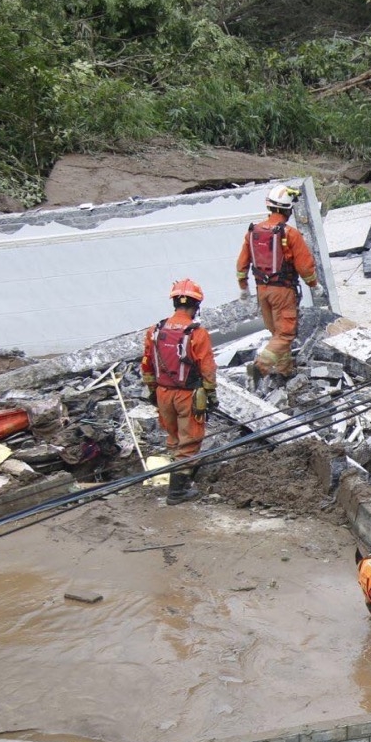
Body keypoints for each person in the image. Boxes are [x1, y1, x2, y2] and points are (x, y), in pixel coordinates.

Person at [140, 279, 217, 506]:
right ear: (196, 305)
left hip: (163, 393)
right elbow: (207, 368)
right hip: (187, 395)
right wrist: (211, 395)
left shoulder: (155, 331)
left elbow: (146, 365)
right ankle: (177, 492)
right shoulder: (197, 333)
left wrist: (153, 391)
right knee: (190, 440)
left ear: (175, 302)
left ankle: (183, 478)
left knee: (174, 437)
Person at [236, 183, 321, 387]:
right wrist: (314, 285)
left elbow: (242, 263)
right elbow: (304, 265)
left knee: (277, 333)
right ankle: (260, 367)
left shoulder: (253, 231)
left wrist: (243, 287)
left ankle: (284, 371)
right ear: (287, 209)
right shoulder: (288, 233)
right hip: (282, 291)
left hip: (261, 290)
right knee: (285, 333)